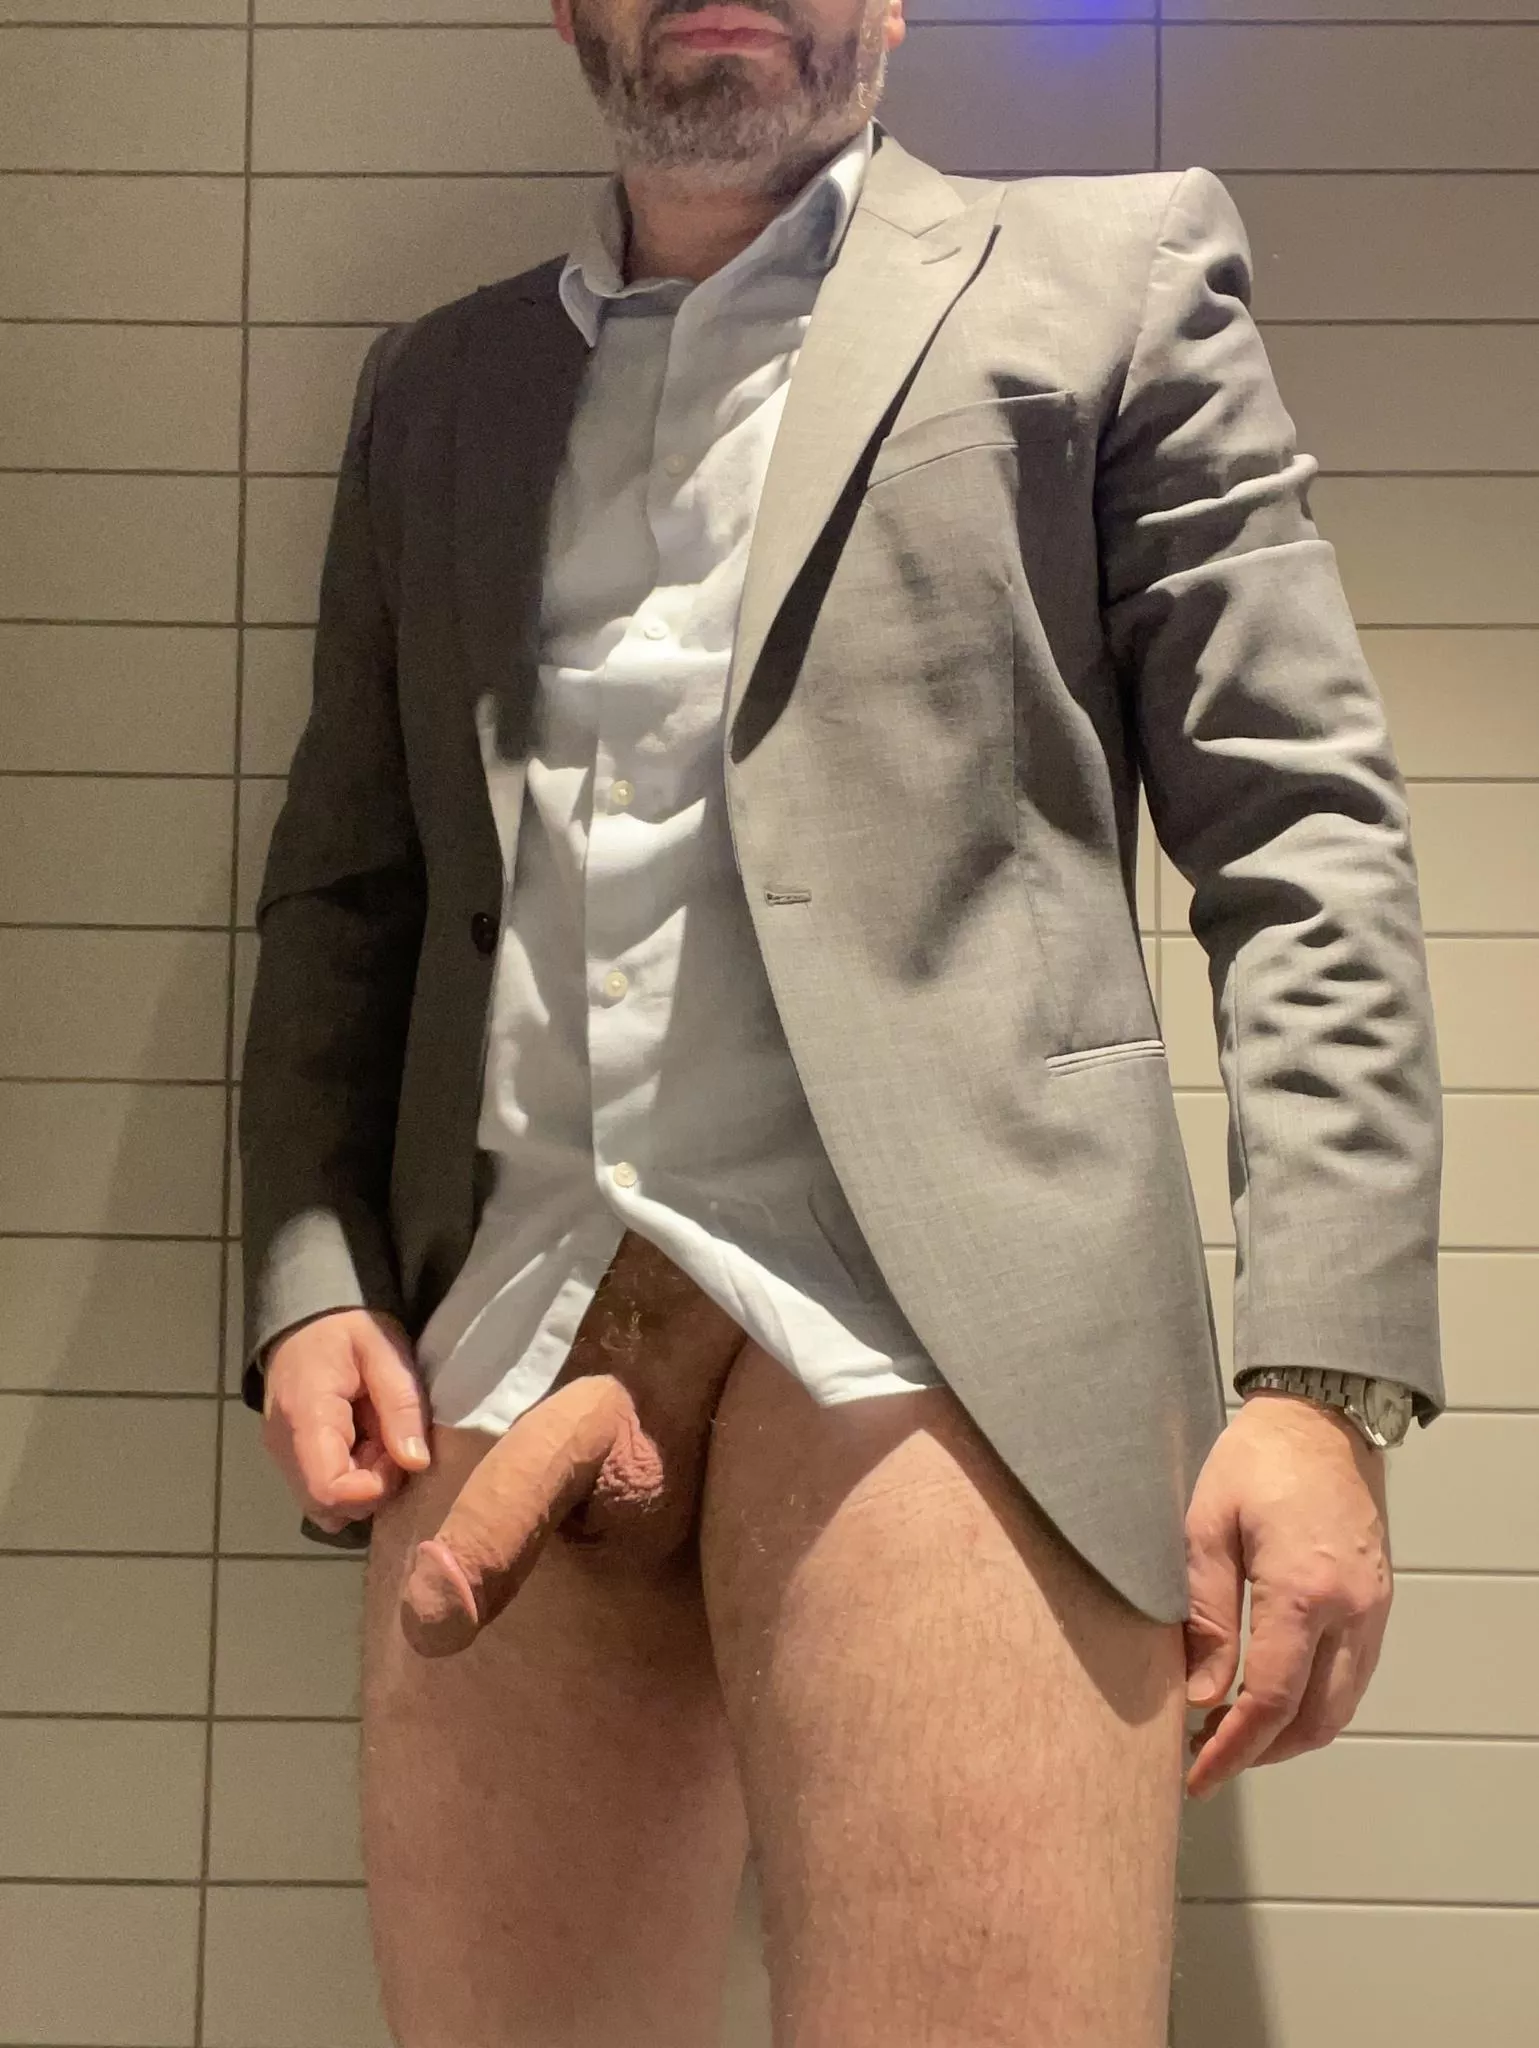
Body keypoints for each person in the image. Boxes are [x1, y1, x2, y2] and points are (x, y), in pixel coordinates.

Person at [238, 0, 1445, 2041]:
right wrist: (308, 1276)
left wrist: (1325, 1381)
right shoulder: (433, 388)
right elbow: (347, 881)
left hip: (945, 1365)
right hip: (505, 1340)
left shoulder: (1114, 277)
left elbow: (1301, 839)